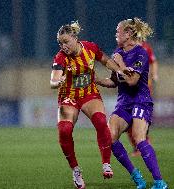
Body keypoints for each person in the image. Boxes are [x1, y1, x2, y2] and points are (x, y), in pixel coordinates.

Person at [50, 20, 131, 189]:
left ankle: (106, 164)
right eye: (60, 43)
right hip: (69, 97)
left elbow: (106, 60)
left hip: (89, 93)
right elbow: (53, 80)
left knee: (101, 122)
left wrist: (118, 70)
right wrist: (59, 81)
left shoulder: (90, 48)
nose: (63, 46)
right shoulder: (60, 57)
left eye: (66, 42)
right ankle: (76, 170)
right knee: (64, 131)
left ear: (74, 38)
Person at [96, 17, 168, 189]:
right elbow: (114, 82)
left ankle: (160, 182)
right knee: (110, 137)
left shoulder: (140, 52)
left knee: (139, 138)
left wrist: (119, 64)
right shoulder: (117, 51)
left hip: (141, 100)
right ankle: (137, 176)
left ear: (127, 34)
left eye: (117, 32)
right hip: (124, 103)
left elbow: (132, 81)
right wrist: (95, 79)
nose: (115, 35)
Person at [127, 41, 159, 157]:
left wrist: (154, 75)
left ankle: (143, 144)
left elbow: (153, 61)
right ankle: (139, 146)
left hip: (143, 89)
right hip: (128, 89)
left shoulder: (145, 46)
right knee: (128, 121)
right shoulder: (123, 46)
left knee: (139, 117)